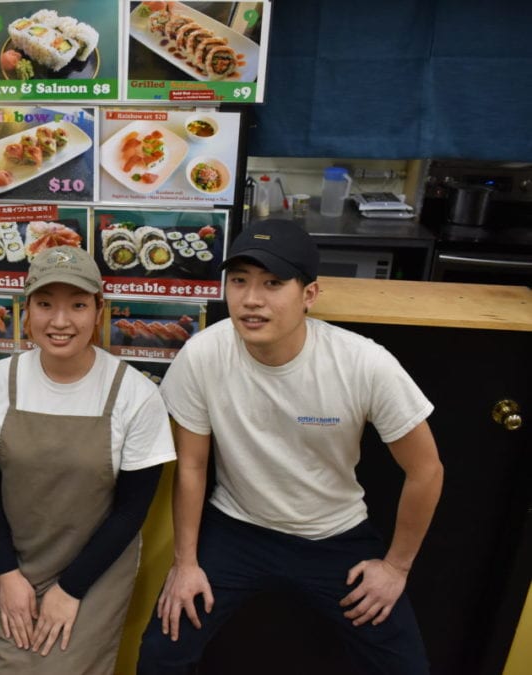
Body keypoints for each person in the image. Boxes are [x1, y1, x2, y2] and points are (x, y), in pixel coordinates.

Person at [137, 220, 444, 674]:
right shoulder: (203, 354)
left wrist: (396, 567)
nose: (251, 299)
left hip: (333, 534)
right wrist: (186, 562)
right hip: (237, 528)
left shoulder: (363, 363)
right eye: (239, 281)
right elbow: (193, 467)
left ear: (309, 295)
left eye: (273, 283)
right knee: (164, 649)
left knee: (406, 667)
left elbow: (426, 470)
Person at [0, 245, 176, 673]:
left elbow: (131, 511)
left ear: (99, 310)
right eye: (45, 304)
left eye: (78, 305)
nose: (60, 322)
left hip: (94, 573)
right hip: (14, 564)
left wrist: (71, 589)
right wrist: (7, 573)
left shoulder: (135, 394)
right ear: (26, 310)